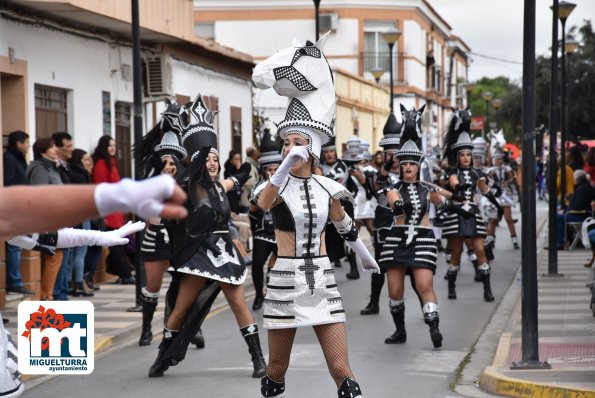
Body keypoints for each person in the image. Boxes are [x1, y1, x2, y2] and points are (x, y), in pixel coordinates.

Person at [252, 34, 380, 397]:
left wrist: (366, 257)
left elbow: (344, 226)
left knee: (344, 372)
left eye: (299, 142)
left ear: (314, 147)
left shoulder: (329, 188)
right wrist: (283, 167)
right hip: (283, 282)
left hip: (321, 281)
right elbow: (263, 203)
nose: (291, 148)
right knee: (277, 371)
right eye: (287, 142)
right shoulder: (274, 187)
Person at [148, 94, 266, 379]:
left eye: (215, 158)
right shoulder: (186, 185)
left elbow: (237, 179)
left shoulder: (218, 188)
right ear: (197, 161)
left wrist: (247, 174)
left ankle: (258, 359)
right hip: (198, 255)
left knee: (238, 303)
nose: (212, 162)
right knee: (180, 311)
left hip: (224, 254)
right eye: (207, 158)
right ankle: (162, 357)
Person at [379, 105, 454, 348]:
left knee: (424, 285)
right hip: (397, 241)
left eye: (412, 164)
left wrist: (434, 191)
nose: (408, 167)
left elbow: (445, 201)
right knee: (395, 291)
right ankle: (400, 331)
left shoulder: (427, 188)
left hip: (422, 240)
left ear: (418, 165)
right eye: (404, 164)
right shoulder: (392, 187)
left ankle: (434, 326)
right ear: (400, 166)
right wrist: (398, 204)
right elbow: (393, 202)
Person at [133, 103, 193, 347]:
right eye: (165, 162)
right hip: (155, 238)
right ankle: (146, 328)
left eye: (172, 163)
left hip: (181, 239)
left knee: (184, 285)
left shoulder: (186, 185)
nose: (169, 166)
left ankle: (186, 328)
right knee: (153, 287)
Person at [441, 108, 502, 302]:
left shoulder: (477, 174)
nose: (466, 157)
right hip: (457, 214)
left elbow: (485, 191)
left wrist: (497, 202)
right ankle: (451, 287)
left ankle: (487, 289)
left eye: (468, 154)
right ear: (457, 156)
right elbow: (454, 186)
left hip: (473, 215)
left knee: (480, 249)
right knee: (457, 254)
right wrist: (458, 186)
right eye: (462, 155)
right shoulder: (452, 173)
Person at [360, 112, 400, 316]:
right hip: (384, 226)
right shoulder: (376, 174)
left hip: (405, 227)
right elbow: (377, 187)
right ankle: (374, 302)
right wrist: (386, 166)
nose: (393, 159)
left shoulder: (411, 172)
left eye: (396, 155)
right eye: (389, 155)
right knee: (379, 266)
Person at [92, 135, 134, 284]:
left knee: (119, 244)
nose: (113, 148)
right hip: (109, 210)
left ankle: (122, 272)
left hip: (116, 210)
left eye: (114, 145)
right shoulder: (102, 164)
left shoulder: (111, 163)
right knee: (116, 245)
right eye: (110, 145)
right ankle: (125, 274)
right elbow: (101, 188)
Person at [26, 138, 64, 300]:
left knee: (54, 256)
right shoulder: (41, 169)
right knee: (54, 256)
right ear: (43, 151)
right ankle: (46, 296)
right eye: (52, 147)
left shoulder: (50, 167)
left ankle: (48, 295)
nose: (55, 149)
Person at [248, 128, 282, 310]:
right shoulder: (257, 185)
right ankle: (259, 295)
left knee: (279, 262)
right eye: (269, 169)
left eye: (275, 169)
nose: (272, 172)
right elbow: (253, 210)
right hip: (263, 232)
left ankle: (274, 291)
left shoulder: (287, 183)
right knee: (256, 264)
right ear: (263, 170)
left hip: (281, 231)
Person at [3, 130, 34, 295]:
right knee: (15, 245)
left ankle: (16, 280)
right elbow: (8, 182)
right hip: (15, 208)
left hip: (22, 207)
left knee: (19, 244)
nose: (28, 145)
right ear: (19, 144)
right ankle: (14, 281)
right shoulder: (9, 159)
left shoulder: (19, 159)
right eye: (27, 142)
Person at [51, 132, 76, 300]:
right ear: (56, 148)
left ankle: (63, 292)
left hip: (69, 218)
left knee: (67, 259)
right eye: (68, 147)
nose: (71, 150)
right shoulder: (52, 168)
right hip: (57, 220)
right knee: (59, 260)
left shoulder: (67, 166)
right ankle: (58, 295)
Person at [68, 148, 95, 297]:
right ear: (78, 160)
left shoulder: (76, 173)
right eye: (85, 159)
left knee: (76, 251)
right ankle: (78, 282)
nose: (89, 162)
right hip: (82, 216)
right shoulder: (79, 175)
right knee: (80, 251)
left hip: (78, 216)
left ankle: (74, 282)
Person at [487, 147, 519, 250]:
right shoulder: (490, 170)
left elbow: (512, 179)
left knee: (508, 218)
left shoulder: (507, 169)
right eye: (497, 159)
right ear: (494, 160)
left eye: (500, 159)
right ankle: (491, 240)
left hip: (506, 194)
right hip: (495, 195)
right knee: (493, 220)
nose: (499, 161)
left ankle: (514, 240)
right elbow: (487, 183)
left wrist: (509, 181)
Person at [556, 170, 595, 250]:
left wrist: (565, 211)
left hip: (582, 216)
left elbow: (578, 206)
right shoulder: (584, 187)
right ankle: (566, 241)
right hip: (583, 214)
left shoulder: (582, 189)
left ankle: (560, 243)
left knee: (558, 217)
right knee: (560, 216)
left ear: (576, 179)